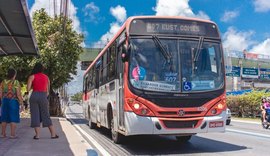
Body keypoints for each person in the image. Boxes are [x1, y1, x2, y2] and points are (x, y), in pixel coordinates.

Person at [27, 63, 58, 140]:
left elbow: (28, 89)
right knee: (46, 114)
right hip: (43, 96)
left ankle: (37, 135)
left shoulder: (32, 77)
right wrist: (43, 96)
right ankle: (53, 134)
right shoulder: (46, 77)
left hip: (34, 95)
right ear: (42, 69)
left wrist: (33, 86)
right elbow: (48, 91)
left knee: (35, 115)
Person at [0, 68, 23, 138]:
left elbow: (0, 93)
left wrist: (2, 100)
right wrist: (21, 103)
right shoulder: (16, 82)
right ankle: (12, 135)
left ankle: (3, 134)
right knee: (13, 117)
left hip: (4, 101)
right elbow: (18, 94)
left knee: (4, 117)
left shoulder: (3, 82)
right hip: (13, 102)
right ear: (14, 75)